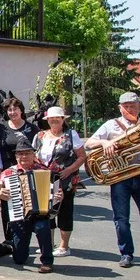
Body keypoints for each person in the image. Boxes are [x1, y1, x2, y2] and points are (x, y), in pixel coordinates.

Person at [85, 92, 140, 271]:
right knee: (121, 219)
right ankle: (126, 254)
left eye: (132, 105)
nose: (129, 109)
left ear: (139, 106)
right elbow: (89, 143)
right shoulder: (111, 125)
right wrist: (104, 144)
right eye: (126, 106)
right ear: (120, 108)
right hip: (120, 179)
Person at [0, 139, 62, 273]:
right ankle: (20, 250)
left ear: (33, 155)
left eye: (27, 153)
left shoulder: (44, 171)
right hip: (19, 216)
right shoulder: (8, 173)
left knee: (43, 227)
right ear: (16, 156)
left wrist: (58, 197)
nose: (24, 156)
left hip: (40, 214)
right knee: (19, 259)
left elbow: (57, 192)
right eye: (20, 154)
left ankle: (47, 261)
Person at [33, 106, 86, 257]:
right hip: (44, 179)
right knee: (45, 211)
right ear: (47, 120)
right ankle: (48, 243)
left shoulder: (71, 135)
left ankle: (64, 246)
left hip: (65, 179)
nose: (54, 120)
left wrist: (70, 169)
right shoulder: (40, 136)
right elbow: (34, 155)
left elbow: (82, 156)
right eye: (51, 118)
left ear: (63, 120)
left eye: (58, 118)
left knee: (64, 212)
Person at [0, 97, 40, 239]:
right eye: (9, 109)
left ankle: (29, 236)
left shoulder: (32, 128)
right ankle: (10, 239)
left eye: (15, 109)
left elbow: (38, 150)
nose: (12, 112)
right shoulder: (1, 127)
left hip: (28, 170)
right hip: (7, 169)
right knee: (7, 203)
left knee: (29, 202)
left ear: (21, 110)